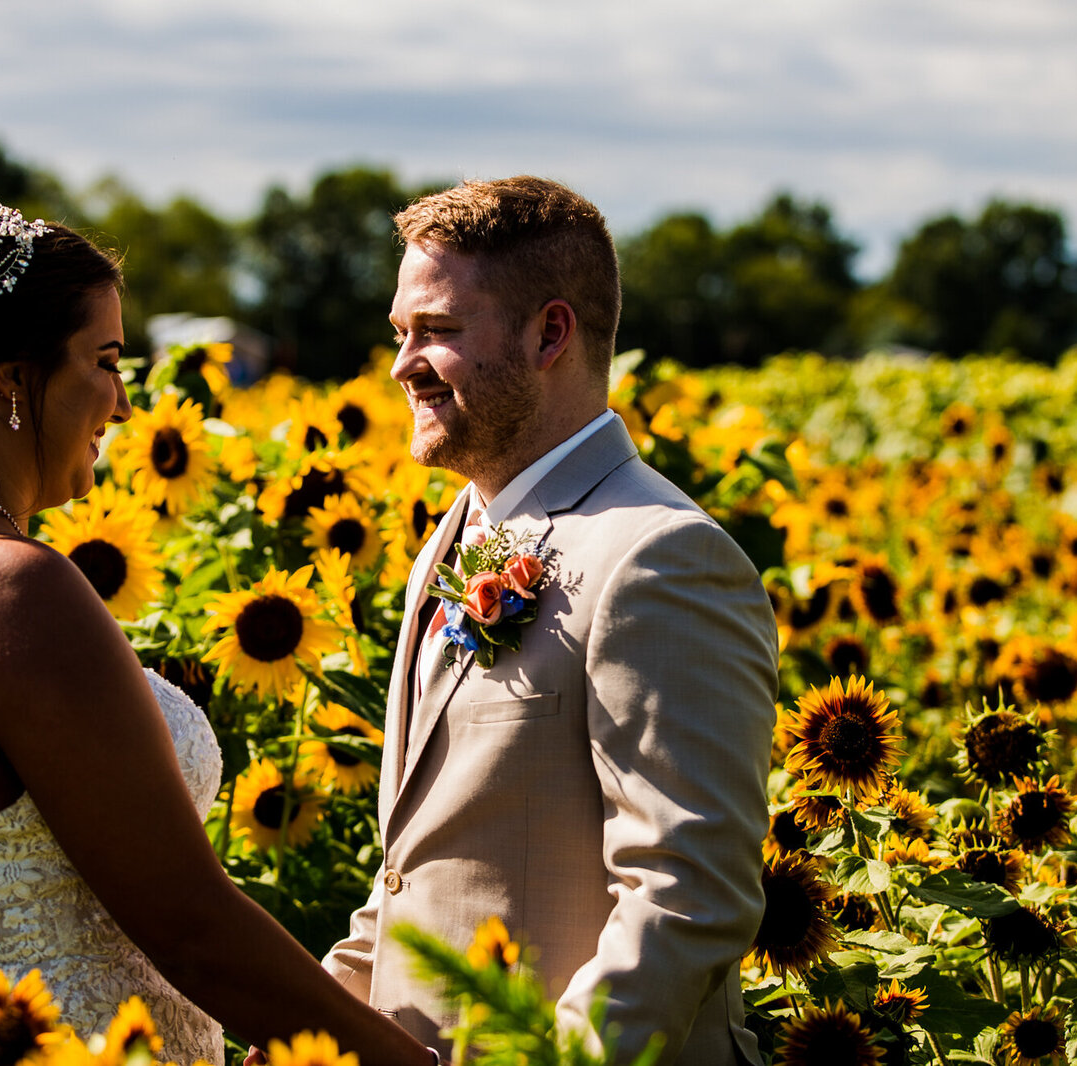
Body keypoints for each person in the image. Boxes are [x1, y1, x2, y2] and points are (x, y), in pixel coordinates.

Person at [0, 191, 435, 1066]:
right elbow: (191, 925)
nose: (121, 401)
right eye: (103, 361)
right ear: (9, 378)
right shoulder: (7, 591)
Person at [322, 177, 779, 1064]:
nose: (402, 363)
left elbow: (686, 894)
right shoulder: (448, 542)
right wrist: (319, 1024)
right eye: (400, 333)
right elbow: (416, 874)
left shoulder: (661, 557)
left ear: (551, 334)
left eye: (438, 332)